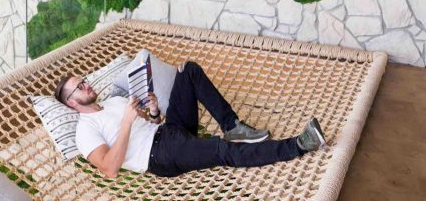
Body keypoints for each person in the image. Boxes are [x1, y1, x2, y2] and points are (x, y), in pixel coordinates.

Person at [54, 61, 326, 178]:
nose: (87, 86)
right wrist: (126, 122)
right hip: (160, 156)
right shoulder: (85, 131)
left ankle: (232, 125)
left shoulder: (112, 102)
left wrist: (154, 111)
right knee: (221, 150)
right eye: (79, 88)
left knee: (188, 70)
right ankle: (300, 145)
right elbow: (110, 169)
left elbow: (152, 125)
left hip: (168, 131)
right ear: (71, 102)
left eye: (84, 81)